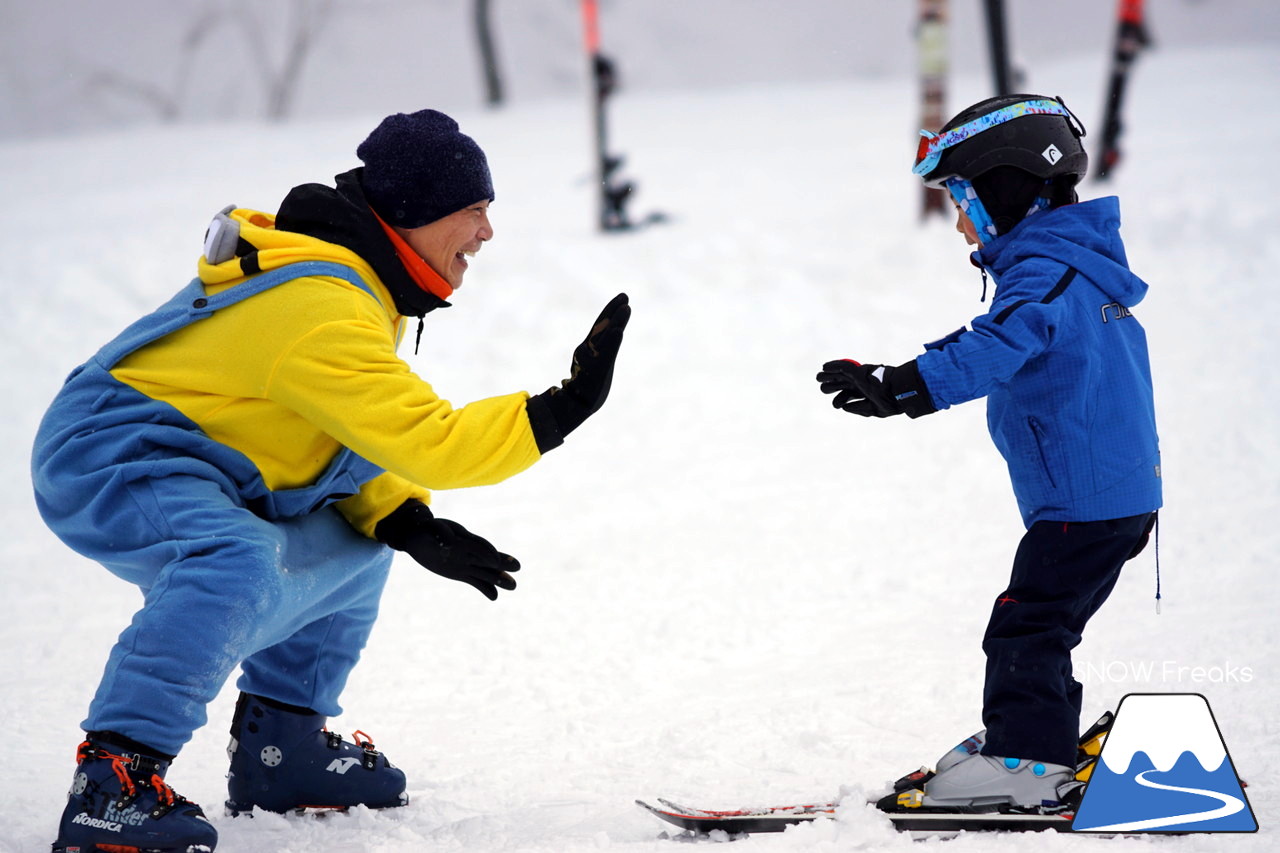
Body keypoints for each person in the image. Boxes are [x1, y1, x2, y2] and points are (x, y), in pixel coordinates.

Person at [34, 108, 631, 853]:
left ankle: (282, 748)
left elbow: (336, 435)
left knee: (355, 548)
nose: (486, 233)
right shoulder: (323, 306)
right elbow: (434, 441)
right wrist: (563, 407)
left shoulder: (349, 289)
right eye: (473, 210)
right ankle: (113, 782)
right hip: (110, 452)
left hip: (195, 457)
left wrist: (404, 519)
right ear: (414, 214)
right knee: (233, 561)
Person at [816, 94, 1160, 812]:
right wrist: (899, 380)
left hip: (1084, 504)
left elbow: (999, 347)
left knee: (1026, 624)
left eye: (963, 199)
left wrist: (901, 387)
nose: (961, 222)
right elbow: (1006, 338)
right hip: (1109, 499)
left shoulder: (1046, 273)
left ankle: (1028, 761)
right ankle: (1039, 737)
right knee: (1044, 621)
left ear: (1008, 188)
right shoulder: (1073, 263)